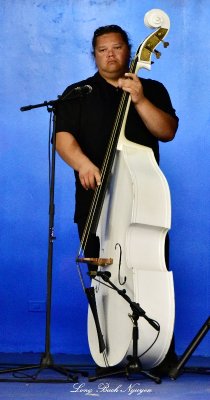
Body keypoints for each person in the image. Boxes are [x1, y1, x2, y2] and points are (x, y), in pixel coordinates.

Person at [55, 25, 179, 375]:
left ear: (129, 51)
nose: (110, 55)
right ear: (94, 54)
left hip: (143, 207)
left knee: (149, 276)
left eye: (117, 47)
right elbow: (63, 138)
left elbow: (166, 132)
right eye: (102, 49)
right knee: (103, 279)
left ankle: (159, 351)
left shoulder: (151, 89)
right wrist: (82, 163)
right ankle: (109, 351)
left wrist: (138, 99)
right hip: (94, 204)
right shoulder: (77, 93)